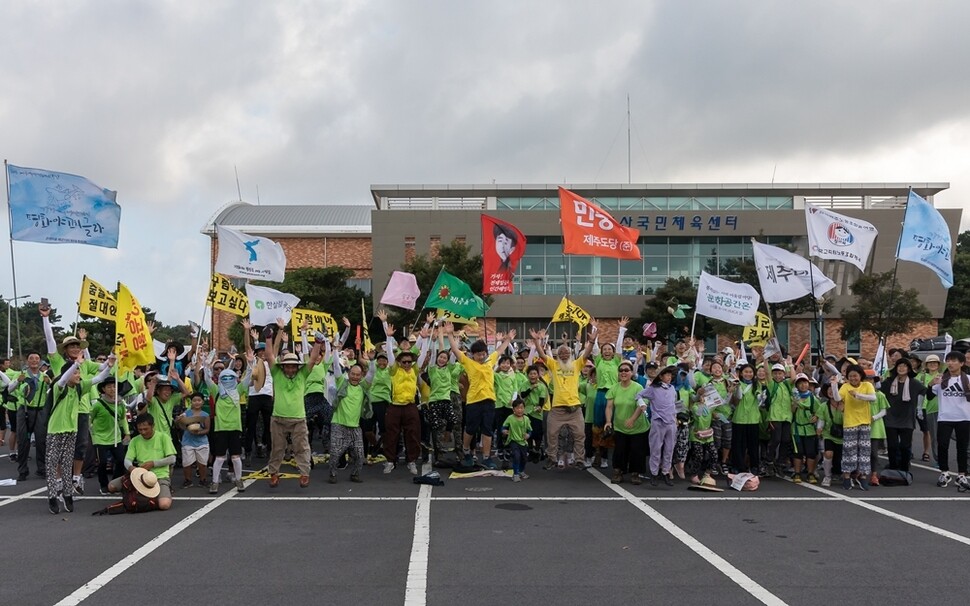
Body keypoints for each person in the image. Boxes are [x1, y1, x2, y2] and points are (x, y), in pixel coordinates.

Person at [442, 320, 516, 471]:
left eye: (483, 354)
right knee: (470, 428)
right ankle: (466, 450)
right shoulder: (469, 363)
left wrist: (508, 339)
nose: (481, 356)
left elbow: (500, 350)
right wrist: (449, 334)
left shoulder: (490, 362)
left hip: (489, 401)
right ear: (472, 354)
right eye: (478, 354)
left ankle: (487, 458)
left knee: (487, 430)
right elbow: (456, 350)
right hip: (474, 401)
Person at [45, 356, 112, 514]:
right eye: (76, 373)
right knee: (52, 464)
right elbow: (62, 380)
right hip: (55, 431)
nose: (78, 375)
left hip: (71, 430)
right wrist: (75, 363)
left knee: (67, 463)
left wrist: (109, 365)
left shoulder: (80, 387)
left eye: (79, 372)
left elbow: (99, 378)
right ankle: (52, 497)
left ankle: (68, 495)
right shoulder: (59, 387)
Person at [264, 319, 323, 488]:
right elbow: (269, 356)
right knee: (277, 448)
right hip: (278, 419)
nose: (290, 369)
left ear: (297, 367)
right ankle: (274, 473)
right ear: (283, 367)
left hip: (298, 418)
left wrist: (318, 342)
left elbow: (312, 360)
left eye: (293, 366)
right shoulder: (277, 374)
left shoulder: (302, 374)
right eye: (287, 366)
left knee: (301, 447)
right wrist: (268, 338)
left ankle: (304, 474)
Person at [532, 325, 595, 470]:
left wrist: (591, 342)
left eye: (566, 352)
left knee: (580, 435)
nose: (564, 354)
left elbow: (585, 355)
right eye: (561, 353)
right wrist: (536, 342)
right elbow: (542, 355)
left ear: (571, 354)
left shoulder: (576, 364)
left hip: (575, 409)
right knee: (551, 434)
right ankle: (552, 459)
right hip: (557, 409)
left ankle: (579, 460)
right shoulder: (554, 365)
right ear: (557, 355)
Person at [204, 345, 253, 494]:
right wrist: (206, 364)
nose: (227, 379)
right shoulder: (215, 390)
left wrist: (250, 364)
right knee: (219, 458)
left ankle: (239, 480)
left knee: (236, 457)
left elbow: (248, 378)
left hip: (235, 428)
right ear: (219, 379)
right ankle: (214, 482)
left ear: (235, 378)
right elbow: (207, 378)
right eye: (224, 377)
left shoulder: (238, 390)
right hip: (220, 428)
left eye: (230, 377)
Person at [108, 413, 176, 511]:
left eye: (146, 429)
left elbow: (172, 458)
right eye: (140, 430)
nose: (143, 432)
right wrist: (131, 468)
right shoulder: (135, 440)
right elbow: (127, 460)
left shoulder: (163, 437)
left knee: (164, 505)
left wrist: (153, 463)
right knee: (111, 486)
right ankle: (146, 495)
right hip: (140, 475)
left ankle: (150, 495)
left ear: (153, 426)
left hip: (160, 476)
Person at [327, 344, 372, 484]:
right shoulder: (342, 383)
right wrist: (335, 350)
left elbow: (372, 374)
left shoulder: (363, 387)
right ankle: (333, 473)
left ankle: (355, 474)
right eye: (352, 374)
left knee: (360, 455)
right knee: (335, 453)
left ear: (361, 376)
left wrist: (371, 360)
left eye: (358, 375)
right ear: (349, 374)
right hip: (339, 424)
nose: (355, 377)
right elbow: (335, 367)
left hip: (355, 427)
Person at [926, 351, 970, 490]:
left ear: (962, 363)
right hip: (945, 417)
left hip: (964, 417)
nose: (950, 363)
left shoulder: (968, 379)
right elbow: (929, 397)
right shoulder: (941, 379)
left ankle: (962, 475)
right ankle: (944, 473)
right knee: (942, 446)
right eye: (948, 360)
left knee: (962, 447)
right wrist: (930, 385)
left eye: (954, 360)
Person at [831, 364, 875, 490]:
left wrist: (858, 395)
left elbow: (873, 398)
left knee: (865, 451)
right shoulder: (845, 386)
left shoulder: (867, 385)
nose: (853, 378)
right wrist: (834, 385)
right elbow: (837, 398)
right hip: (850, 422)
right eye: (850, 376)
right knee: (849, 451)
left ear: (861, 375)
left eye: (855, 375)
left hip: (865, 422)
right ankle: (846, 476)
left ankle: (862, 477)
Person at [604, 360, 649, 485]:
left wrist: (632, 419)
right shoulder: (614, 388)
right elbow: (609, 407)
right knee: (620, 450)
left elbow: (641, 405)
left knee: (637, 451)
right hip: (620, 426)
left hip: (638, 427)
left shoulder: (638, 387)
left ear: (631, 373)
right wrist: (608, 421)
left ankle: (635, 473)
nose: (623, 372)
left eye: (626, 370)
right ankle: (618, 472)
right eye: (621, 370)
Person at [89, 379, 132, 495]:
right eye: (109, 387)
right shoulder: (98, 404)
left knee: (121, 460)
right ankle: (103, 485)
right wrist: (93, 433)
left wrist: (127, 433)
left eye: (114, 386)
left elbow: (123, 418)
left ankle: (114, 483)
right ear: (103, 389)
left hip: (116, 437)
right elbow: (90, 419)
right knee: (102, 463)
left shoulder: (120, 404)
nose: (112, 389)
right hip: (100, 438)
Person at [640, 365, 679, 485]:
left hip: (671, 422)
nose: (669, 377)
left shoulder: (672, 389)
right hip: (658, 421)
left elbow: (674, 404)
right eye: (666, 374)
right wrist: (642, 404)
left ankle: (665, 471)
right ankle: (654, 473)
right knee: (656, 448)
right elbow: (639, 395)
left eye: (670, 375)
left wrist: (675, 417)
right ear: (661, 376)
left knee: (669, 448)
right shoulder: (653, 388)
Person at [729, 364, 765, 475]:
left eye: (750, 372)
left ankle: (754, 466)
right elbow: (736, 399)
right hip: (739, 418)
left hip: (753, 419)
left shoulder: (757, 384)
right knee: (738, 445)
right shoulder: (736, 384)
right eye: (746, 372)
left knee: (753, 445)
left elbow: (759, 397)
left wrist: (761, 397)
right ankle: (737, 466)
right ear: (741, 373)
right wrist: (737, 387)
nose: (748, 374)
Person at [790, 373, 821, 484]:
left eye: (805, 383)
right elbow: (791, 411)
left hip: (810, 430)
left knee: (810, 452)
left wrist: (816, 417)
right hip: (797, 429)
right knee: (798, 452)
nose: (803, 385)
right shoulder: (793, 397)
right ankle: (797, 472)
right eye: (800, 383)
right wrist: (795, 403)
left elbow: (820, 412)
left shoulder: (813, 398)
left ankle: (810, 473)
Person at [177, 392, 210, 489]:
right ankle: (188, 480)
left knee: (202, 463)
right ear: (191, 402)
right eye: (194, 400)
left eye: (199, 400)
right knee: (187, 463)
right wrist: (179, 419)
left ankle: (203, 480)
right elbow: (179, 424)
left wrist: (199, 433)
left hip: (202, 442)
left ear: (202, 402)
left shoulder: (205, 415)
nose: (197, 402)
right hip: (188, 441)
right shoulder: (186, 413)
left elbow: (207, 429)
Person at [916, 354, 942, 463]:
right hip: (925, 407)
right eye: (930, 363)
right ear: (926, 365)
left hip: (941, 408)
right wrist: (918, 408)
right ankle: (934, 457)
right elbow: (918, 392)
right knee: (930, 433)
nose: (932, 364)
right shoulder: (920, 377)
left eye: (935, 362)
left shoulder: (943, 376)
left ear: (938, 365)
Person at [502, 400, 532, 482]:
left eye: (521, 408)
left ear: (524, 409)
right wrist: (504, 431)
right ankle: (515, 474)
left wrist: (528, 435)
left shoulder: (526, 419)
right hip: (513, 440)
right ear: (513, 409)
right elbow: (503, 427)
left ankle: (521, 471)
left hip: (523, 442)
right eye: (517, 408)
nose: (519, 410)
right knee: (516, 456)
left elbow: (530, 430)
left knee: (524, 458)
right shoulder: (510, 418)